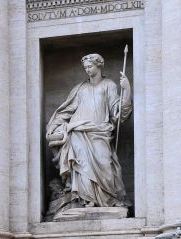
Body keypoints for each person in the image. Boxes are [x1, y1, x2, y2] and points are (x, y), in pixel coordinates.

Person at [46, 53, 132, 210]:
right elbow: (67, 110)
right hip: (78, 131)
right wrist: (54, 126)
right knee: (82, 166)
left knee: (105, 164)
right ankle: (87, 200)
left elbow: (118, 113)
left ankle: (106, 199)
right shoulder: (80, 88)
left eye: (90, 66)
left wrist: (126, 90)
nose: (87, 70)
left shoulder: (109, 85)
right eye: (85, 67)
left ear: (99, 66)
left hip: (100, 132)